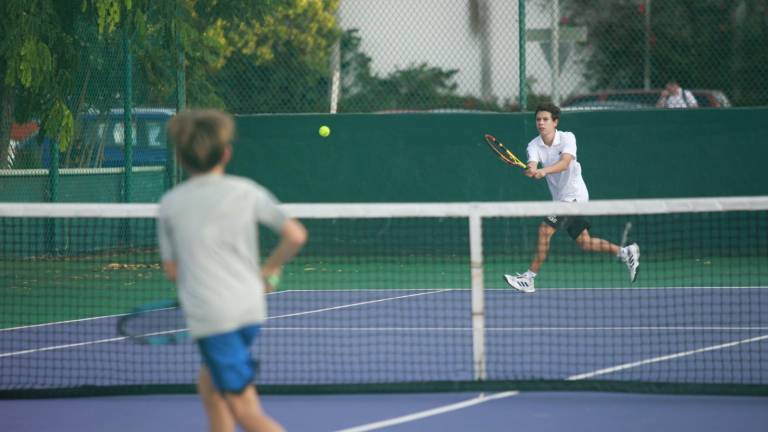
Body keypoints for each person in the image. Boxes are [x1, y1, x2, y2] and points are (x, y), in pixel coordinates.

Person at [158, 109, 307, 432]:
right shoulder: (247, 191)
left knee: (243, 407)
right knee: (210, 388)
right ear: (226, 154)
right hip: (250, 309)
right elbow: (295, 235)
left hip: (214, 316)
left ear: (180, 159)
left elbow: (173, 272)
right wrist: (268, 270)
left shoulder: (170, 204)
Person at [504, 103, 639, 293]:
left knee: (545, 230)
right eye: (538, 120)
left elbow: (566, 163)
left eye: (545, 119)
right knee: (585, 242)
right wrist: (532, 169)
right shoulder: (533, 145)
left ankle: (529, 278)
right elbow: (532, 163)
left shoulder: (568, 138)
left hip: (575, 196)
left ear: (555, 122)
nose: (541, 123)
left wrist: (544, 171)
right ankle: (625, 252)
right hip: (561, 198)